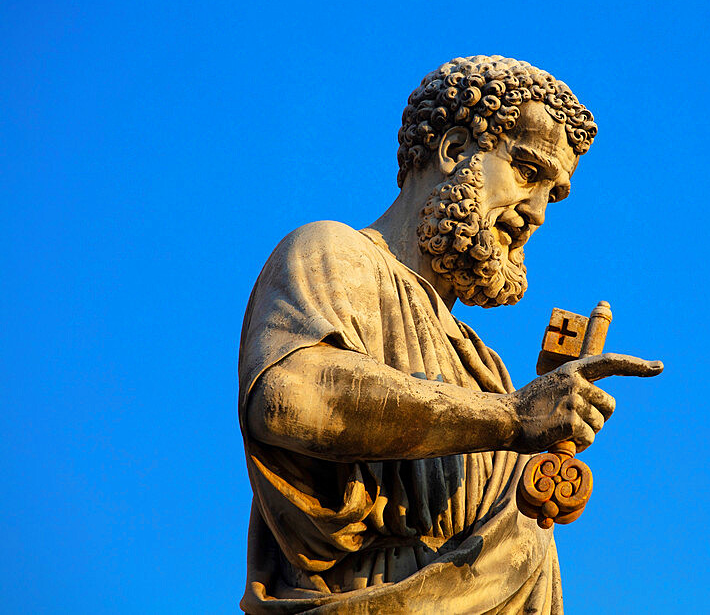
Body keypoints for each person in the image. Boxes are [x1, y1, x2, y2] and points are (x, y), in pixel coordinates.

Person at [238, 56, 662, 614]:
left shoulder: (486, 370)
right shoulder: (334, 254)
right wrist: (511, 420)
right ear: (454, 149)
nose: (536, 213)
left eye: (553, 195)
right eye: (527, 172)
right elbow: (288, 398)